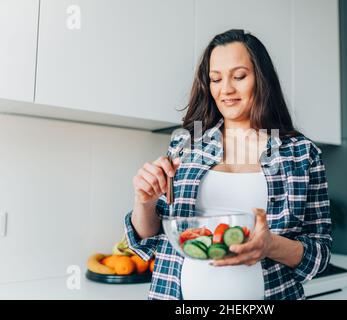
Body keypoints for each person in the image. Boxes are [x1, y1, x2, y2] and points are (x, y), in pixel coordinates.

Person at [124, 29, 332, 300]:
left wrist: (270, 245)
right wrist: (144, 202)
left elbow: (320, 253)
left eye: (239, 76)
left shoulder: (302, 155)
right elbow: (150, 239)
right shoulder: (185, 146)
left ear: (261, 79)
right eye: (216, 79)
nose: (226, 89)